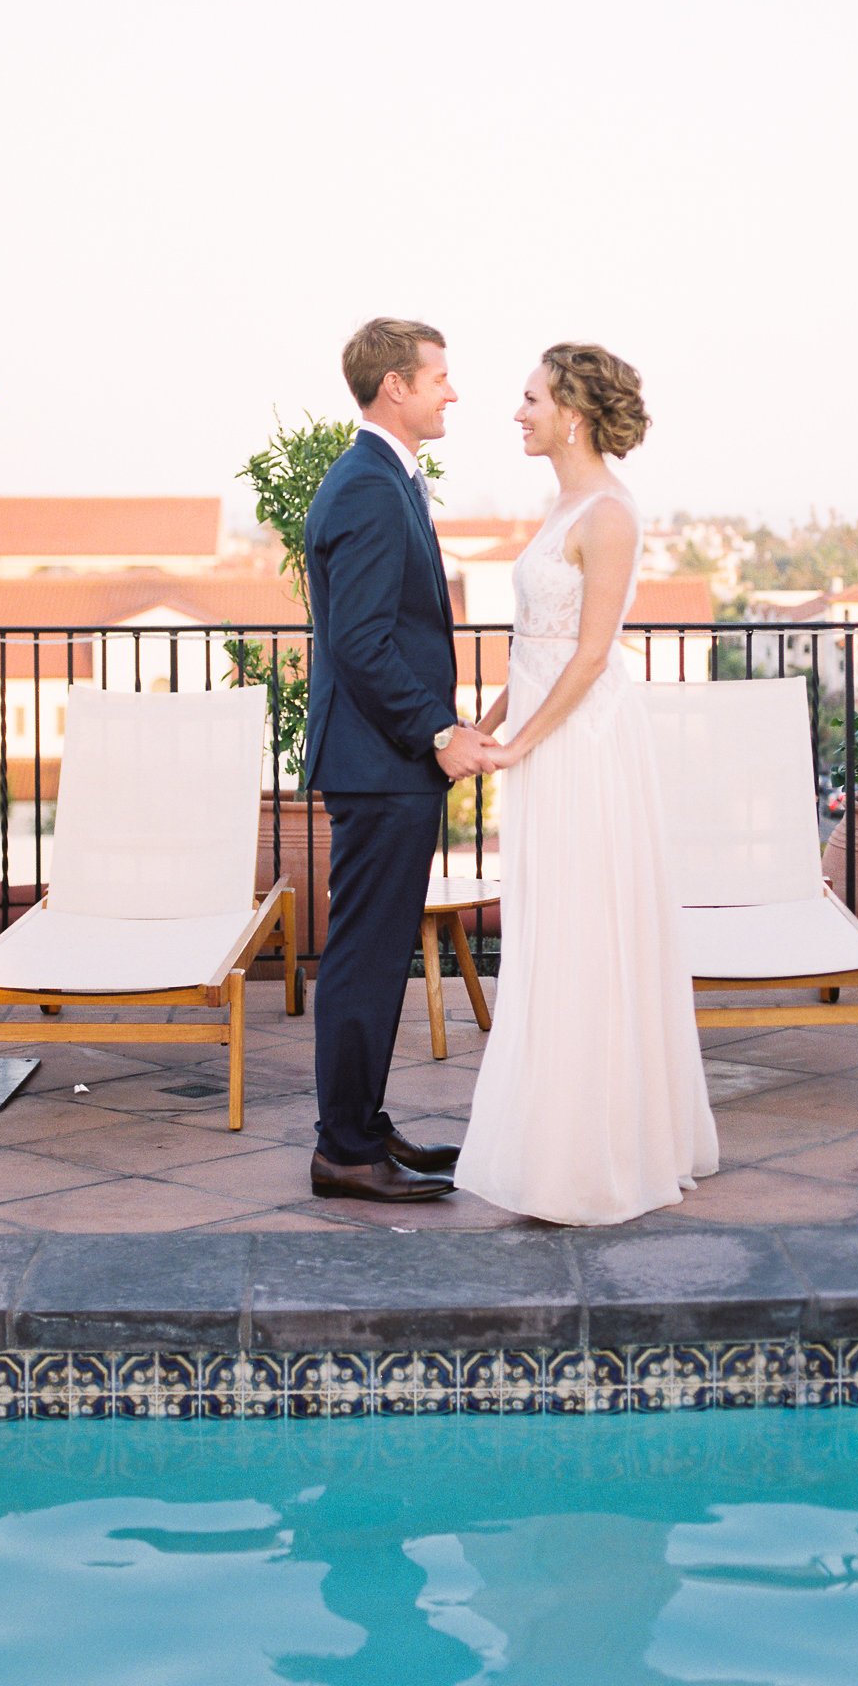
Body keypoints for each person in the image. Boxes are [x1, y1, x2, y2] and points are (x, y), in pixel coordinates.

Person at [455, 343, 718, 1225]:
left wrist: (518, 744)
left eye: (528, 398)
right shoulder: (559, 501)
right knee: (549, 925)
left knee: (579, 929)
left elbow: (592, 655)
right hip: (540, 732)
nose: (517, 413)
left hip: (581, 745)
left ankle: (588, 1155)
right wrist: (487, 725)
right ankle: (560, 1136)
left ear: (570, 409)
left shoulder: (608, 513)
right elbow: (536, 642)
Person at [302, 317, 495, 1203]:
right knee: (365, 959)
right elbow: (365, 643)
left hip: (383, 766)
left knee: (374, 955)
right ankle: (343, 1149)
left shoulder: (383, 477)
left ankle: (364, 1127)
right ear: (395, 388)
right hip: (381, 766)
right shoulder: (372, 488)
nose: (452, 391)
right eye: (440, 377)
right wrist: (441, 732)